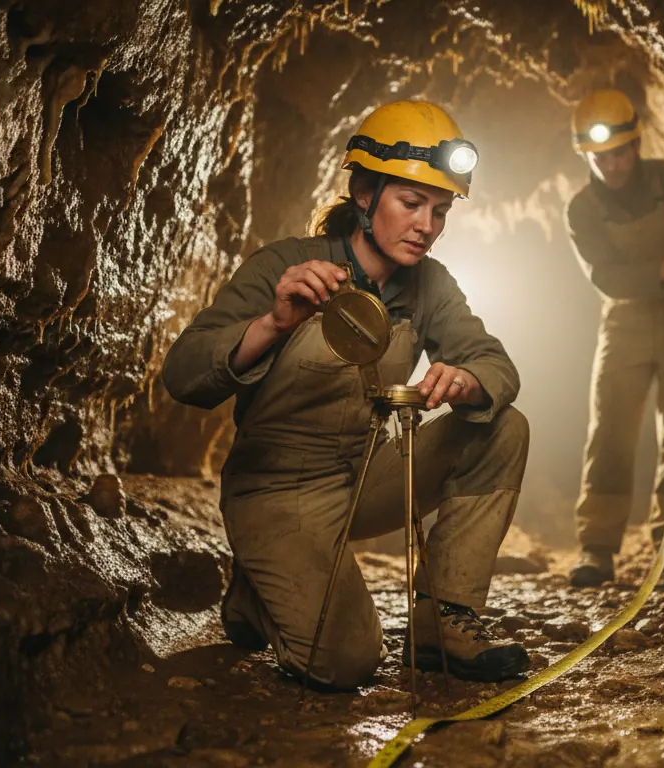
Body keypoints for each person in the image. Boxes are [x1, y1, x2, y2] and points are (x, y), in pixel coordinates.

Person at [162, 100, 531, 688]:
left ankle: (444, 621)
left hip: (360, 477)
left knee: (502, 425)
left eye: (440, 211)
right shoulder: (284, 265)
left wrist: (468, 381)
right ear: (364, 193)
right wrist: (274, 324)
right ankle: (258, 588)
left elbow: (494, 362)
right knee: (346, 663)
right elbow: (182, 375)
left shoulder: (430, 284)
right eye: (412, 204)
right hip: (276, 491)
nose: (427, 226)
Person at [564, 88, 664, 588]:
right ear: (587, 156)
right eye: (601, 157)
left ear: (636, 145)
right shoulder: (582, 209)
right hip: (625, 321)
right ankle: (597, 548)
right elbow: (605, 276)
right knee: (610, 430)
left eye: (621, 152)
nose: (614, 165)